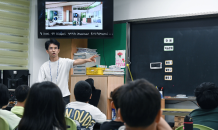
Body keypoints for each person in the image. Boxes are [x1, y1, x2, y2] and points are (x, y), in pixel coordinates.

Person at [38, 39, 98, 105]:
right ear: (47, 51)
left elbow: (76, 61)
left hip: (64, 96)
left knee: (64, 115)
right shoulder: (44, 66)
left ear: (58, 50)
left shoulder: (65, 62)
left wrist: (87, 60)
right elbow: (39, 83)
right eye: (51, 48)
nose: (53, 50)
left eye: (55, 48)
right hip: (49, 96)